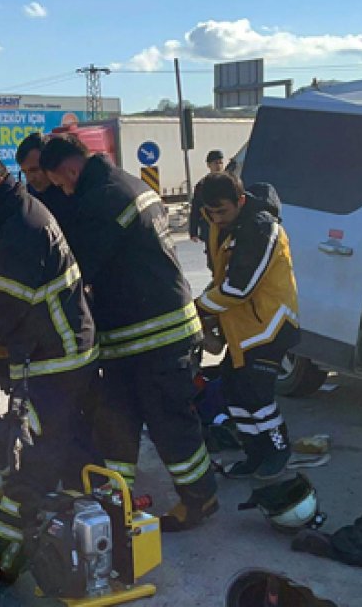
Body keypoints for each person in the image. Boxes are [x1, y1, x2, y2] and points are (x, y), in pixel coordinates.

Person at [40, 135, 218, 532]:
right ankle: (116, 502)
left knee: (170, 424)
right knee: (115, 420)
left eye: (61, 183)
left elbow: (78, 268)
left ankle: (199, 499)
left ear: (70, 170)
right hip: (136, 338)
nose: (64, 191)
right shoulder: (127, 184)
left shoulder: (103, 199)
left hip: (156, 336)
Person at [0, 152, 98, 585]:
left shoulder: (21, 225)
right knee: (60, 448)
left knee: (33, 453)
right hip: (52, 349)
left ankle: (3, 556)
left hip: (58, 354)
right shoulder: (12, 213)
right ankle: (67, 532)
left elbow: (7, 303)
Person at [195, 172, 299, 480]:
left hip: (269, 326)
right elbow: (222, 279)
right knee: (234, 391)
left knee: (257, 395)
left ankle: (278, 452)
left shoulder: (262, 228)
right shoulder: (222, 223)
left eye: (222, 211)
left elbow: (239, 287)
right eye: (211, 212)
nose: (216, 218)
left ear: (240, 201)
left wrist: (196, 310)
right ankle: (256, 454)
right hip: (242, 328)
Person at [14, 132, 74, 223]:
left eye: (34, 170)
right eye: (24, 172)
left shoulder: (72, 193)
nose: (30, 179)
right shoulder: (27, 201)